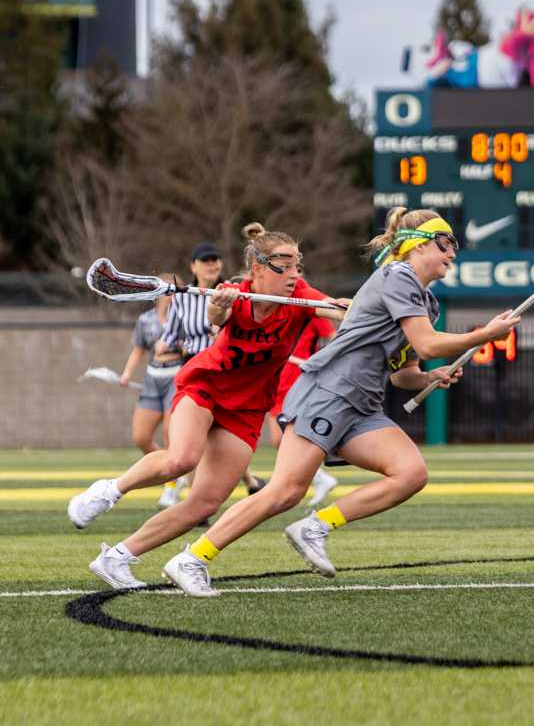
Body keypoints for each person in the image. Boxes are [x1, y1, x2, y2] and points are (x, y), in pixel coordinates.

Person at [160, 208, 519, 597]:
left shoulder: (426, 301)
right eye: (445, 242)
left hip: (363, 405)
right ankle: (193, 558)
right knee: (283, 491)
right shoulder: (397, 277)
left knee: (410, 473)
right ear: (416, 246)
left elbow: (403, 372)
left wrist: (430, 376)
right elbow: (429, 343)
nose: (453, 251)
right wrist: (484, 335)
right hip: (328, 392)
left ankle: (314, 527)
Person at [67, 223, 347, 589]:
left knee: (205, 504)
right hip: (206, 386)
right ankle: (108, 490)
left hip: (246, 408)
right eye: (287, 265)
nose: (295, 274)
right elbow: (217, 317)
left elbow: (337, 313)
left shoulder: (302, 296)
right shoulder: (233, 292)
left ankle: (116, 559)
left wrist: (352, 308)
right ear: (260, 268)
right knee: (181, 459)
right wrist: (217, 306)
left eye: (298, 265)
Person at [160, 241, 266, 495]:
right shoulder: (183, 298)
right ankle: (199, 496)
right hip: (196, 368)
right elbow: (169, 337)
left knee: (222, 435)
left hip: (226, 368)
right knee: (188, 438)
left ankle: (246, 484)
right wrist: (164, 347)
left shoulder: (233, 291)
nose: (212, 265)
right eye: (206, 261)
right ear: (193, 266)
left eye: (215, 260)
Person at [267, 292, 340, 508]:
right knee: (277, 439)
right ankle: (319, 478)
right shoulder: (275, 310)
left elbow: (332, 337)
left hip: (296, 379)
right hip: (275, 379)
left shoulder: (311, 311)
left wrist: (319, 362)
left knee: (288, 436)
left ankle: (312, 478)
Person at [117, 281, 187, 508]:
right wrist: (126, 374)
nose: (169, 297)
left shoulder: (186, 316)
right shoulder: (145, 320)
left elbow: (194, 345)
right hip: (152, 377)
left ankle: (170, 486)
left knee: (170, 432)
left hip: (177, 375)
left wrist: (172, 344)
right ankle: (173, 473)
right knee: (141, 436)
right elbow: (138, 349)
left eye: (172, 293)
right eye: (165, 293)